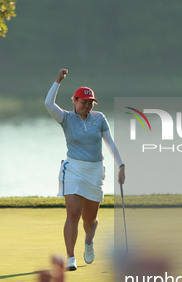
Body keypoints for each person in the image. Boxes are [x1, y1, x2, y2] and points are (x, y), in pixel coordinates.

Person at [45, 68, 126, 271]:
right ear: (74, 101)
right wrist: (58, 81)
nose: (87, 106)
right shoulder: (65, 118)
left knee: (90, 220)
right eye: (84, 102)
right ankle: (70, 257)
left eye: (90, 103)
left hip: (95, 171)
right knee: (72, 213)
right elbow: (48, 104)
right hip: (73, 169)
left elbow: (110, 143)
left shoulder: (99, 118)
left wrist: (121, 165)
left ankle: (88, 242)